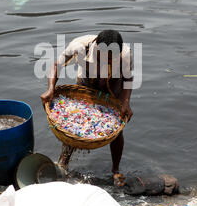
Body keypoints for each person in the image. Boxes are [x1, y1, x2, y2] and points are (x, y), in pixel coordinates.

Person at [40, 30, 134, 186]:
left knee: (117, 131)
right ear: (96, 48)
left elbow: (129, 77)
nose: (106, 63)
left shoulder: (125, 54)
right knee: (73, 127)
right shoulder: (80, 46)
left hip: (113, 86)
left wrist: (125, 102)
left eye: (111, 60)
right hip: (86, 83)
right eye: (103, 58)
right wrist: (50, 89)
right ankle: (63, 163)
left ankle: (115, 170)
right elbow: (56, 64)